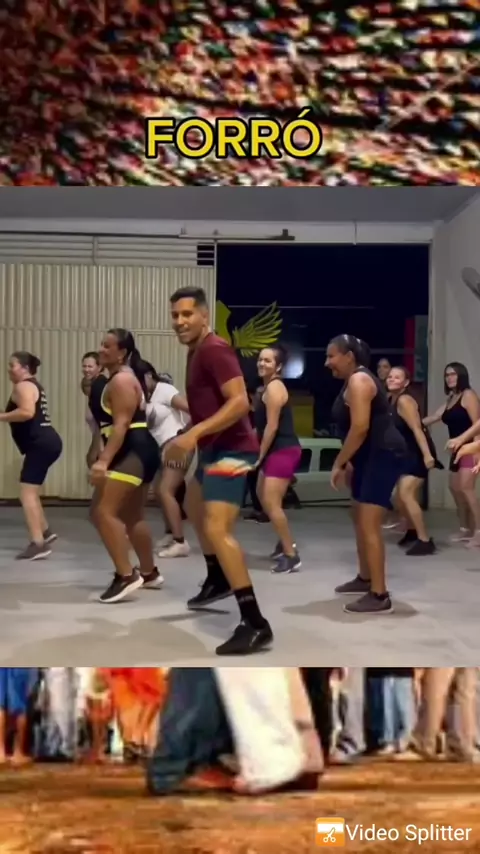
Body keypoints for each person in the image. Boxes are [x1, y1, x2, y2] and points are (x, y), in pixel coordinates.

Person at [164, 286, 272, 656]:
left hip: (233, 449)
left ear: (204, 316)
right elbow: (206, 404)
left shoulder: (214, 349)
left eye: (187, 314)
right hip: (213, 448)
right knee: (193, 505)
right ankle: (217, 577)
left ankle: (255, 623)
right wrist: (189, 433)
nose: (180, 321)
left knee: (216, 528)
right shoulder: (196, 351)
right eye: (175, 315)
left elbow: (240, 402)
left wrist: (193, 434)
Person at [326, 335, 407, 614]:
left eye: (332, 356)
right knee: (359, 515)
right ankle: (365, 577)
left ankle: (380, 594)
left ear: (349, 356)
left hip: (382, 455)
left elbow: (360, 427)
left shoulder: (360, 380)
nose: (327, 363)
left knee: (369, 522)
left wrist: (339, 462)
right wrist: (351, 460)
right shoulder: (352, 380)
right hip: (368, 457)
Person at [89, 328, 162, 604]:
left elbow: (121, 425)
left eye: (108, 346)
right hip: (139, 450)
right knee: (132, 516)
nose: (102, 349)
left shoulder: (120, 380)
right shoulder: (122, 377)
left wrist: (103, 461)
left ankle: (126, 575)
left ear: (122, 353)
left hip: (133, 450)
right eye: (102, 344)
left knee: (101, 511)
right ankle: (149, 573)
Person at [0, 351, 62, 560]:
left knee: (26, 493)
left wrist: (2, 416)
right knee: (31, 491)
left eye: (13, 365)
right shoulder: (33, 385)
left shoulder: (23, 386)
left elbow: (26, 412)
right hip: (47, 442)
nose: (9, 370)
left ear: (25, 368)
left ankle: (38, 544)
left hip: (40, 444)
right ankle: (45, 531)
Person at [253, 345, 302, 573]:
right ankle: (284, 542)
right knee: (262, 496)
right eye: (260, 359)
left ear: (279, 366)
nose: (262, 364)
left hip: (282, 449)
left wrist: (259, 456)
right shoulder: (266, 388)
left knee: (272, 503)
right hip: (276, 450)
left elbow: (271, 427)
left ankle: (291, 555)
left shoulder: (274, 388)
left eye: (268, 361)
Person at [424, 362, 480, 545]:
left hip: (470, 448)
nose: (449, 378)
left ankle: (478, 531)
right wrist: (412, 424)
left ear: (461, 376)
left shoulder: (468, 395)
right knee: (455, 488)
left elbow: (477, 424)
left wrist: (477, 450)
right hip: (456, 451)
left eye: (453, 374)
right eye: (447, 375)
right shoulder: (451, 398)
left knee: (466, 488)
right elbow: (434, 417)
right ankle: (465, 528)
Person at [386, 366, 438, 555]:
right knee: (399, 497)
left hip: (416, 454)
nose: (392, 379)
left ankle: (425, 540)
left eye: (397, 377)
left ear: (406, 382)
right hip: (403, 454)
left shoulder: (405, 400)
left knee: (406, 493)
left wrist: (427, 455)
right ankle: (411, 531)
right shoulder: (390, 399)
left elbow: (418, 429)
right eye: (390, 376)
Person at [143, 363, 191, 558]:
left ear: (149, 375)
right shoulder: (145, 396)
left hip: (177, 444)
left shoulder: (164, 389)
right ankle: (171, 533)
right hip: (161, 447)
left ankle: (180, 542)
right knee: (159, 492)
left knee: (166, 491)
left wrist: (182, 436)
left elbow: (194, 411)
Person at [81, 351, 106, 468]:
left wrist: (100, 448)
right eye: (84, 366)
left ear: (99, 367)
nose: (86, 369)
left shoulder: (99, 386)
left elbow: (102, 420)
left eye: (90, 366)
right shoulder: (96, 385)